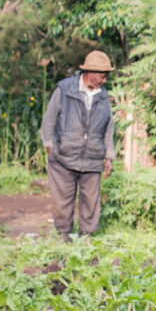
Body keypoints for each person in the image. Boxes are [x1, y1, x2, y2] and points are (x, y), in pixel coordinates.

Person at [40, 50, 116, 242]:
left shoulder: (104, 96)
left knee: (90, 201)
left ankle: (85, 237)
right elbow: (49, 119)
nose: (105, 80)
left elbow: (109, 128)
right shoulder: (65, 89)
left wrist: (109, 157)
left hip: (92, 158)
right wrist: (49, 145)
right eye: (102, 75)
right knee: (62, 199)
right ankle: (63, 235)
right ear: (90, 73)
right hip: (63, 157)